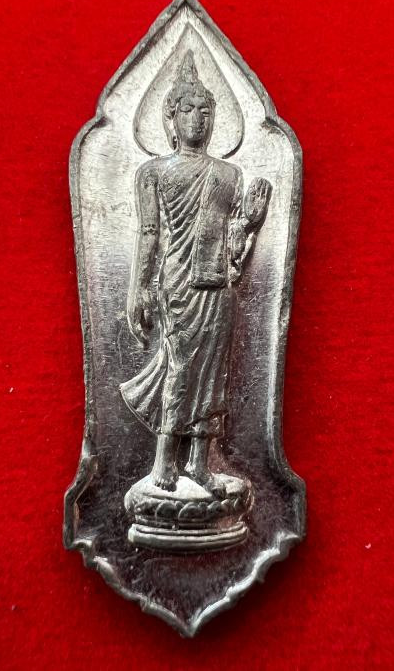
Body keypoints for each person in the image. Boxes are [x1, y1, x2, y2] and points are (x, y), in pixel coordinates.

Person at [120, 50, 270, 496]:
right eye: (188, 110)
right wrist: (138, 288)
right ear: (171, 118)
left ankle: (200, 463)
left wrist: (250, 224)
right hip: (178, 283)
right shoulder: (152, 172)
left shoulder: (229, 174)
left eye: (206, 111)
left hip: (217, 285)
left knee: (213, 374)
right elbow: (149, 233)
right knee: (182, 367)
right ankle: (164, 461)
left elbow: (232, 244)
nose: (198, 120)